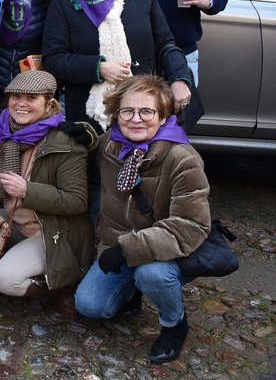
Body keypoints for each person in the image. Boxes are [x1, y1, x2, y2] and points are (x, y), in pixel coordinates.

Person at [76, 75, 211, 364]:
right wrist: (80, 137)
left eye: (146, 111)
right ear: (116, 114)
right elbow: (87, 160)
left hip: (163, 251)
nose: (136, 119)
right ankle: (132, 294)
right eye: (127, 111)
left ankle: (175, 325)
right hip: (116, 246)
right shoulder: (110, 144)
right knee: (89, 306)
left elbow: (191, 225)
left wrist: (126, 250)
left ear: (162, 117)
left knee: (152, 275)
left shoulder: (182, 158)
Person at [0, 71, 94, 322]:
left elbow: (77, 201)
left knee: (4, 280)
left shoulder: (66, 142)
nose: (20, 103)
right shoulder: (7, 132)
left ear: (50, 104)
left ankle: (66, 286)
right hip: (17, 222)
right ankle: (17, 260)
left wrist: (27, 191)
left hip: (52, 233)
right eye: (15, 96)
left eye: (31, 98)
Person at [42, 0, 193, 133]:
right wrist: (98, 68)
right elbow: (53, 58)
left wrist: (180, 78)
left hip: (143, 109)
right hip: (89, 114)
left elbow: (166, 42)